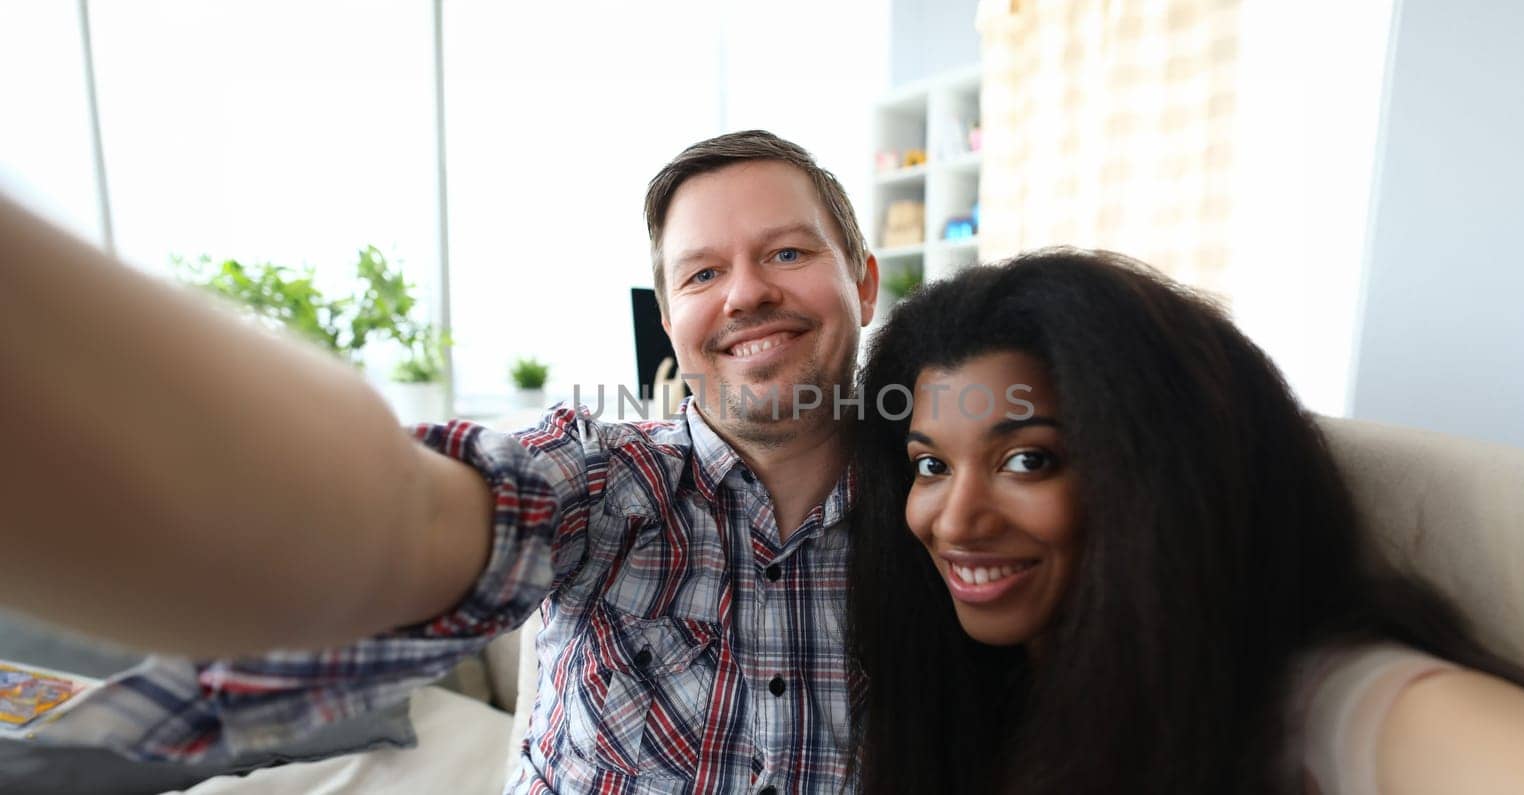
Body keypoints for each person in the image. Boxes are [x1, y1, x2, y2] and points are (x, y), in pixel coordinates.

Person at [0, 129, 877, 792]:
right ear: (671, 319)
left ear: (865, 283)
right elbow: (412, 517)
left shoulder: (947, 513)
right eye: (699, 275)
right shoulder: (606, 478)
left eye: (787, 252)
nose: (745, 292)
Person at [846, 249, 1524, 794]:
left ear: (1158, 475)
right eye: (932, 466)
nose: (957, 519)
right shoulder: (989, 683)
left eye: (1028, 461)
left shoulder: (1322, 702)